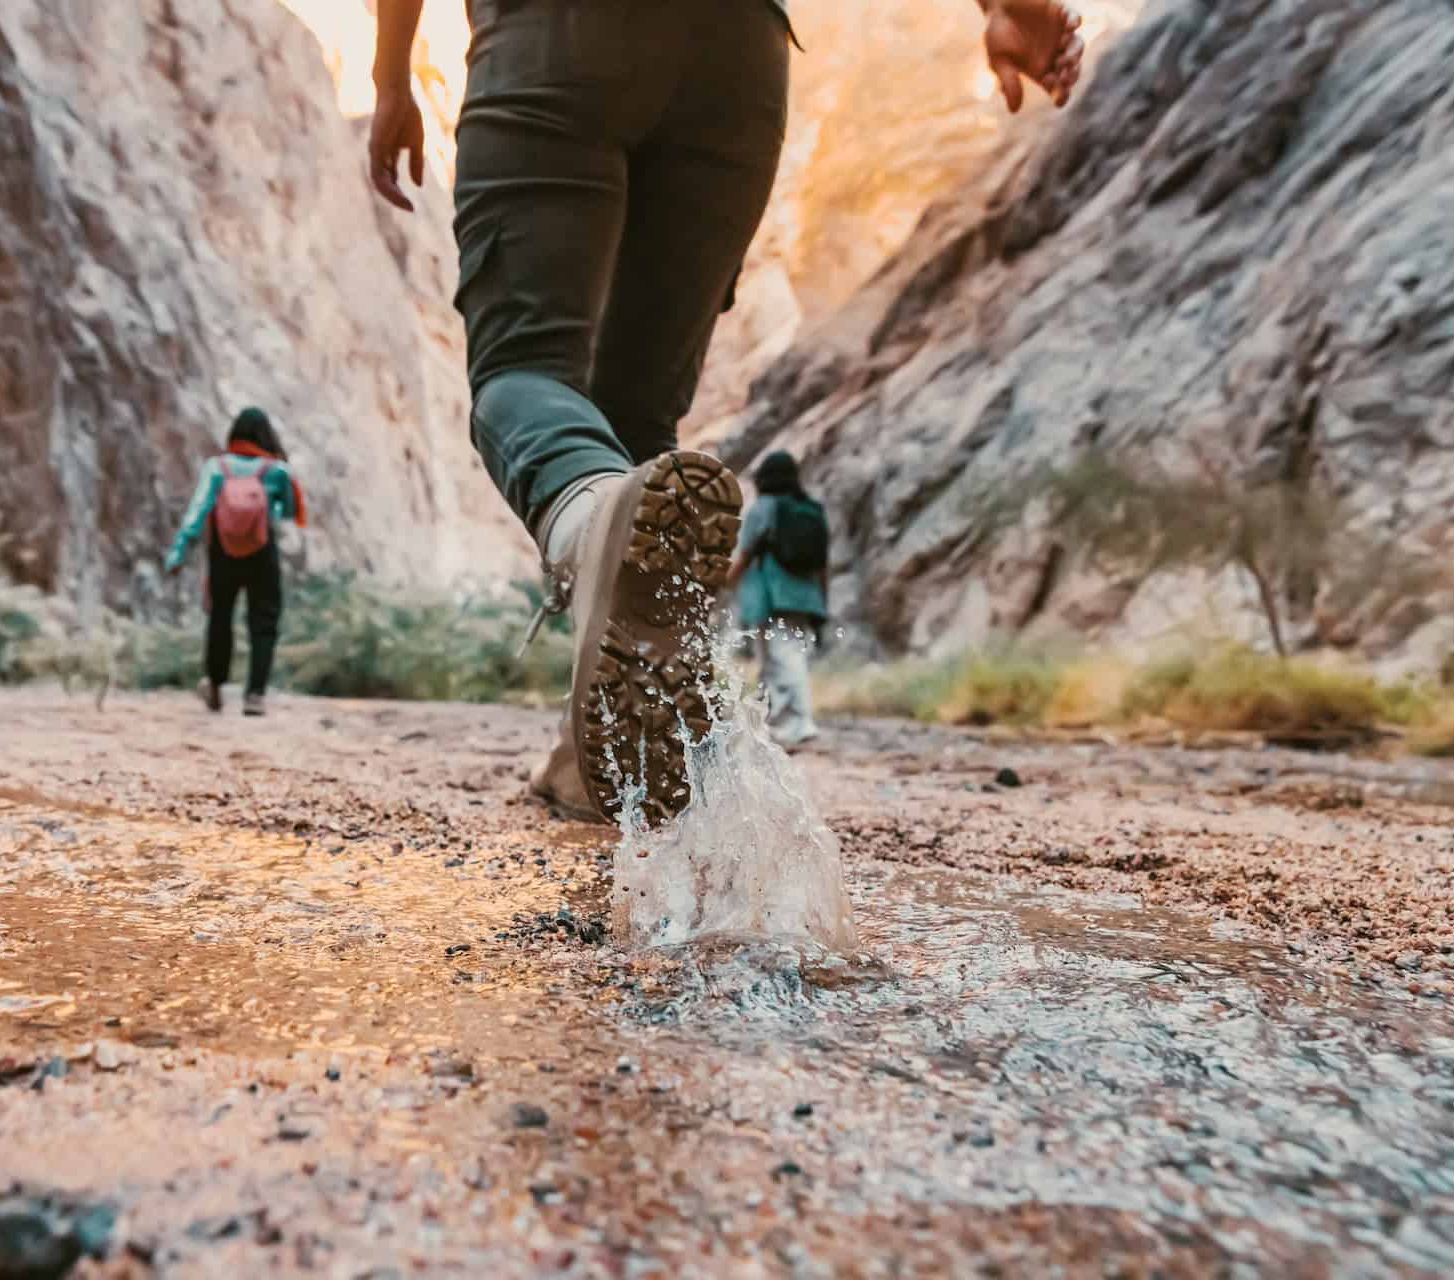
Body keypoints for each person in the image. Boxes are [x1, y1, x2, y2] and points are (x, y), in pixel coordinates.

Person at [369, 0, 1084, 825]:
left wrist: (392, 78)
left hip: (554, 43)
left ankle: (586, 527)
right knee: (636, 432)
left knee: (520, 375)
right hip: (738, 60)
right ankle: (596, 755)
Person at [164, 408, 307, 717]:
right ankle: (254, 695)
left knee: (220, 618)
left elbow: (198, 510)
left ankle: (215, 687)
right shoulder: (277, 470)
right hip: (261, 551)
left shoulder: (217, 467)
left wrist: (179, 551)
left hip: (223, 552)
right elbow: (289, 512)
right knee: (264, 621)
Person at [725, 450, 830, 749]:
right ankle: (781, 724)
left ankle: (799, 724)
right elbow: (823, 564)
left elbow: (743, 557)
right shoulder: (811, 509)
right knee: (785, 658)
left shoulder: (764, 509)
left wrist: (719, 585)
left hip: (770, 597)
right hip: (805, 597)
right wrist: (823, 600)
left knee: (783, 659)